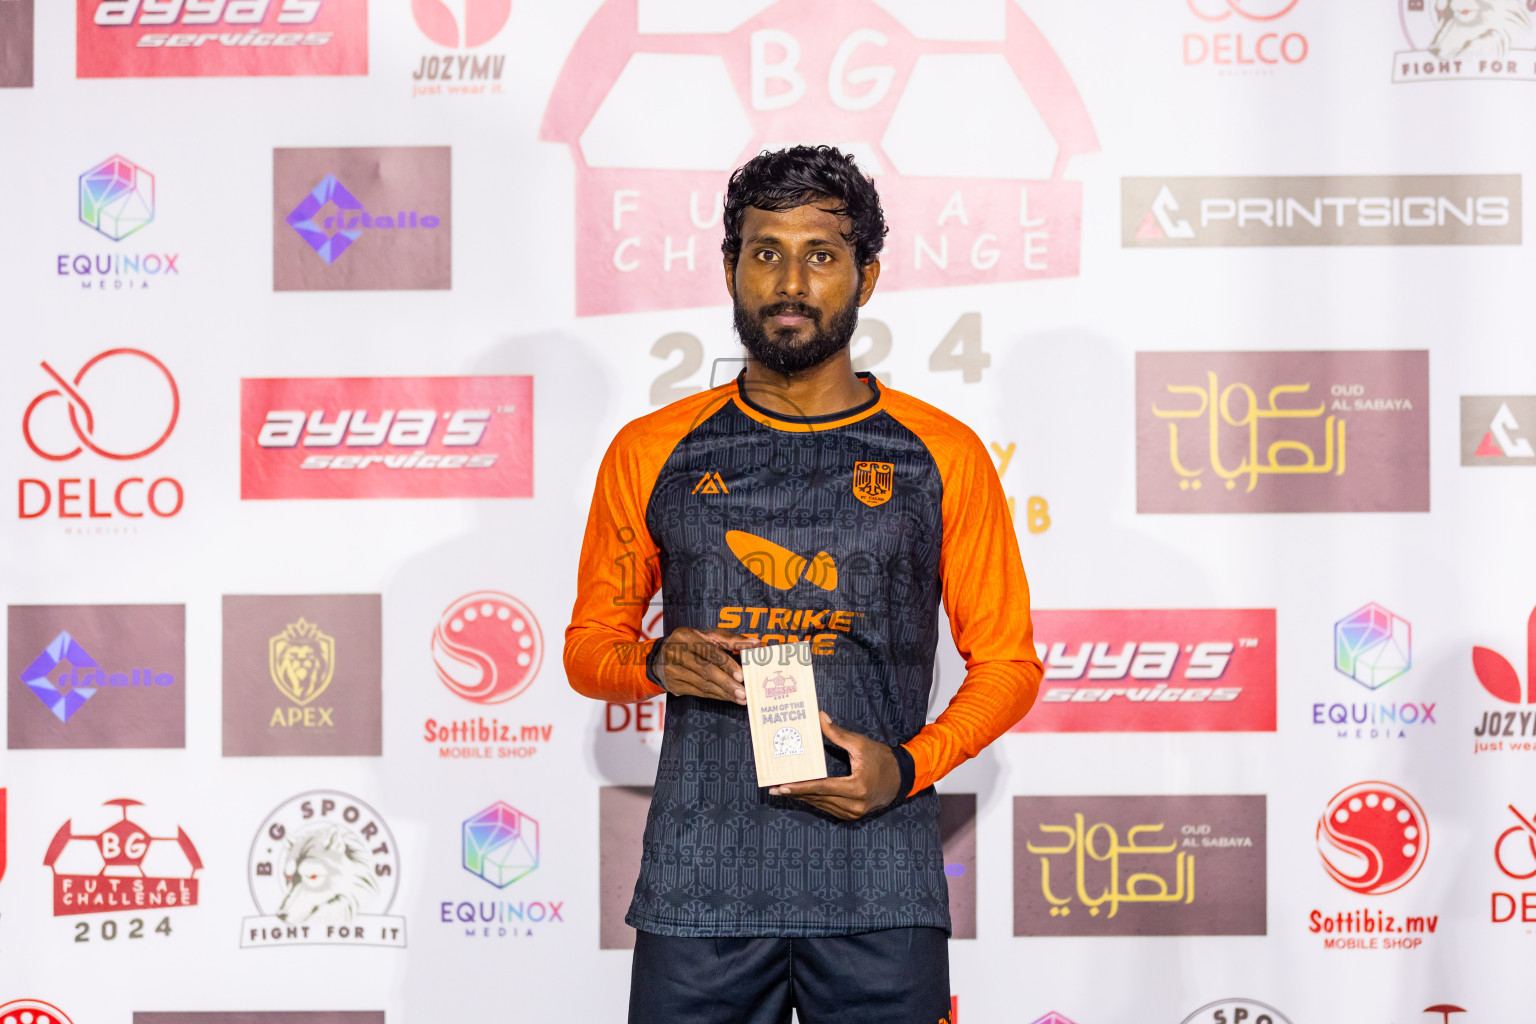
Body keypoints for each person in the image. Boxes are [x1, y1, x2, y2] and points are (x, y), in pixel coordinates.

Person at [565, 145, 1042, 1024]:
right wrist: (659, 662)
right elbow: (589, 650)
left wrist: (906, 767)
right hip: (699, 884)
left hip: (880, 883)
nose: (790, 280)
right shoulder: (650, 450)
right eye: (765, 251)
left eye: (821, 254)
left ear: (866, 275)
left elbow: (1009, 665)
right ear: (729, 268)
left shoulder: (943, 454)